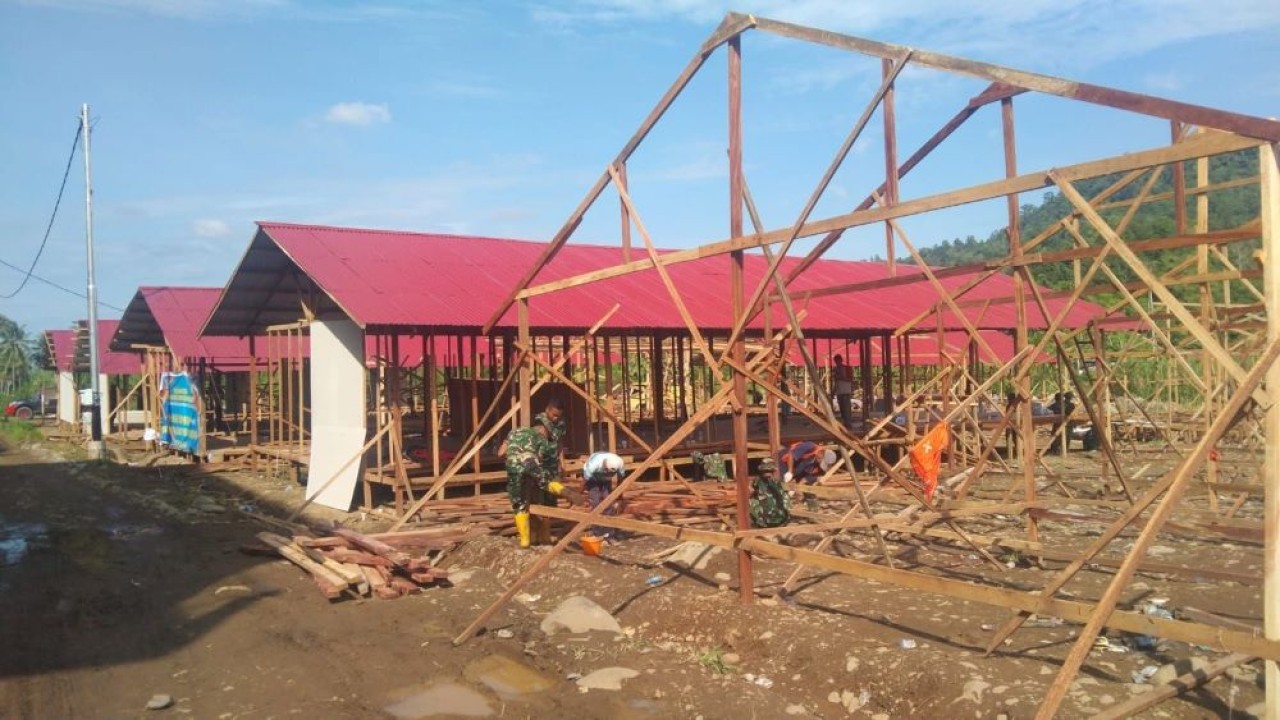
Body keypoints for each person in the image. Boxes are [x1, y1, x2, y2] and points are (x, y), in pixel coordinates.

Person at [499, 422, 582, 549]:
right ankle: (565, 492)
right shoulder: (540, 438)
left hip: (513, 467)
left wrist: (514, 457)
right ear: (543, 430)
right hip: (530, 463)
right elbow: (539, 458)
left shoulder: (514, 432)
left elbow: (500, 453)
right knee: (545, 482)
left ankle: (525, 542)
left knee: (519, 505)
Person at [777, 440, 837, 511]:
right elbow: (791, 455)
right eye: (821, 460)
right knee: (780, 484)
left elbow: (809, 477)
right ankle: (778, 507)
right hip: (783, 462)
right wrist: (789, 472)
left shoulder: (818, 465)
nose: (820, 462)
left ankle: (812, 507)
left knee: (809, 486)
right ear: (821, 453)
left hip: (799, 469)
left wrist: (797, 488)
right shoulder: (809, 446)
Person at [582, 450, 625, 540]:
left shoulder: (619, 463)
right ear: (604, 466)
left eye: (611, 473)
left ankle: (609, 533)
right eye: (607, 471)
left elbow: (621, 480)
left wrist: (619, 495)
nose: (608, 473)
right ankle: (597, 532)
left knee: (609, 504)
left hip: (605, 481)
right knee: (595, 504)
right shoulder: (594, 465)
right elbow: (585, 481)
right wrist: (578, 493)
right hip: (592, 479)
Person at [749, 457, 791, 528]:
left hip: (770, 521)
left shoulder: (758, 481)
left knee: (752, 499)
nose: (767, 474)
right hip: (778, 520)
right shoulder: (777, 481)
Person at [831, 354, 853, 428]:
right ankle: (845, 423)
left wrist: (841, 377)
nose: (837, 362)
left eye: (838, 361)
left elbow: (850, 379)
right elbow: (836, 382)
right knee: (842, 410)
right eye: (836, 361)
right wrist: (833, 392)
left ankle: (848, 424)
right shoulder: (835, 369)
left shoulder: (847, 368)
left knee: (847, 409)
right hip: (839, 392)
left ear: (841, 360)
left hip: (846, 391)